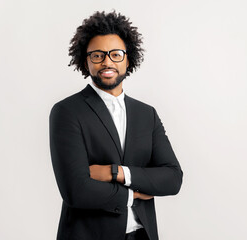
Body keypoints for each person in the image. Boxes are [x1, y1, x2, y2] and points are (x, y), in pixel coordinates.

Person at [49, 11, 183, 240]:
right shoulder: (67, 111)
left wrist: (117, 173)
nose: (107, 62)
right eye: (98, 55)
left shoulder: (146, 114)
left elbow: (172, 178)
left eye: (115, 54)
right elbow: (76, 190)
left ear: (128, 59)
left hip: (142, 235)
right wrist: (134, 195)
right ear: (85, 60)